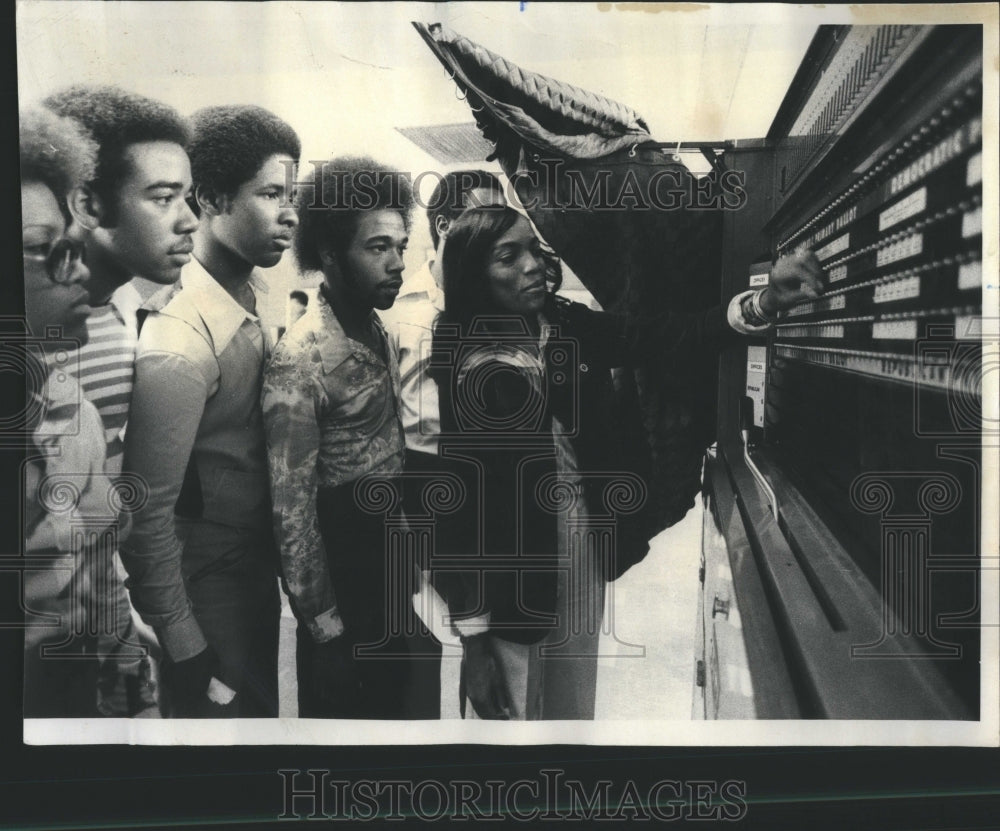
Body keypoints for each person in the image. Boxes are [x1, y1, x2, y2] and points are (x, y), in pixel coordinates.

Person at [431, 206, 825, 720]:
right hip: (509, 574)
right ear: (474, 275)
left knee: (573, 707)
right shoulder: (464, 357)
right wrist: (476, 641)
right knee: (512, 721)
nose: (532, 265)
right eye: (509, 256)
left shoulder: (564, 324)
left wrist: (765, 301)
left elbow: (661, 334)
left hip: (579, 543)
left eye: (533, 248)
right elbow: (463, 509)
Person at [121, 105, 301, 718]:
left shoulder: (255, 296)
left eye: (292, 193)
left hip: (252, 583)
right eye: (272, 193)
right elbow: (144, 514)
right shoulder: (179, 340)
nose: (291, 213)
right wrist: (183, 640)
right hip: (203, 599)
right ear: (211, 198)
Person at [43, 84, 198, 717]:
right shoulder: (42, 335)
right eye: (163, 198)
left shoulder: (116, 317)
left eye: (188, 196)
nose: (188, 219)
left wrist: (121, 633)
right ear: (88, 203)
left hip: (104, 638)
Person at [261, 156, 416, 718]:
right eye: (378, 247)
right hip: (341, 578)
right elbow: (291, 511)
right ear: (329, 252)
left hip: (389, 571)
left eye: (400, 245)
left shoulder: (375, 326)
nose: (397, 263)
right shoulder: (301, 359)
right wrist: (325, 630)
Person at [378, 169, 505, 716]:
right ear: (447, 226)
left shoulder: (505, 307)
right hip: (440, 522)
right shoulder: (406, 319)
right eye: (487, 218)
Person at [19, 106, 110, 716]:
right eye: (37, 250)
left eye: (68, 244)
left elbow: (101, 568)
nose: (76, 270)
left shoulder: (74, 407)